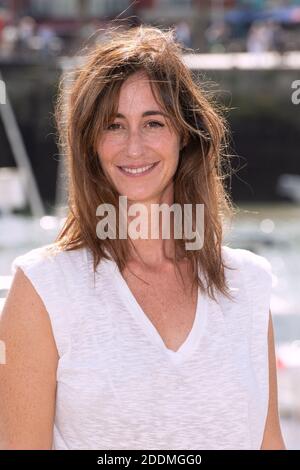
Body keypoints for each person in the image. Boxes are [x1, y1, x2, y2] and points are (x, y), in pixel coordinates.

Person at [0, 25, 285, 450]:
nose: (134, 147)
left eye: (153, 122)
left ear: (186, 134)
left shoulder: (248, 284)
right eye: (114, 126)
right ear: (90, 145)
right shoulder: (43, 288)